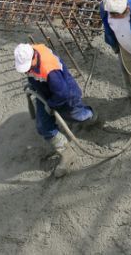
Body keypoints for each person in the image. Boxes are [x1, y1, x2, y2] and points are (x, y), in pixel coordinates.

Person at [15, 42, 97, 177]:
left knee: (78, 116)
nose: (26, 71)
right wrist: (33, 85)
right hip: (45, 93)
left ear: (34, 58)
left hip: (66, 96)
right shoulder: (31, 54)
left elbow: (62, 94)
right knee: (43, 126)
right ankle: (67, 153)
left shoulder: (49, 69)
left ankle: (91, 116)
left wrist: (51, 105)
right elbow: (34, 74)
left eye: (27, 68)